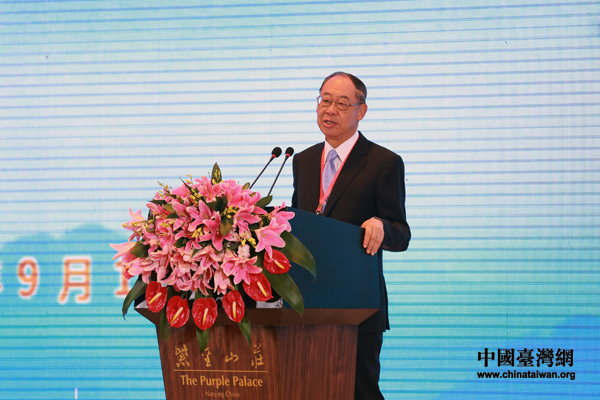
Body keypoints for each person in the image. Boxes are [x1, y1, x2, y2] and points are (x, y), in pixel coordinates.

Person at [291, 72, 411, 400]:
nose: (330, 109)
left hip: (357, 305)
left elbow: (401, 233)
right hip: (306, 305)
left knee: (360, 393)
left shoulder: (384, 162)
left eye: (342, 104)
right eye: (325, 100)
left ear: (362, 111)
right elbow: (297, 225)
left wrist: (382, 226)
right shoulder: (302, 161)